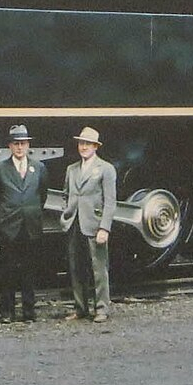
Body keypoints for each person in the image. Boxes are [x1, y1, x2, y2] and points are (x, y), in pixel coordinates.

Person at [0, 124, 47, 323]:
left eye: (23, 143)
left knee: (29, 271)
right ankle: (7, 312)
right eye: (16, 143)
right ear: (10, 146)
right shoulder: (0, 169)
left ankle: (29, 311)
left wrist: (31, 212)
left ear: (28, 145)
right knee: (7, 271)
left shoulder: (39, 168)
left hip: (30, 226)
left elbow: (42, 195)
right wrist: (3, 218)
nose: (20, 147)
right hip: (9, 227)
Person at [62, 126, 118, 323]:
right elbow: (66, 195)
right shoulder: (71, 169)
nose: (83, 147)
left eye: (88, 144)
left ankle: (102, 308)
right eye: (81, 143)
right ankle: (80, 308)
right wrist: (65, 215)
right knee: (76, 268)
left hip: (94, 225)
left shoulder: (106, 169)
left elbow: (110, 201)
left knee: (98, 268)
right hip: (74, 224)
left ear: (96, 146)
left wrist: (105, 227)